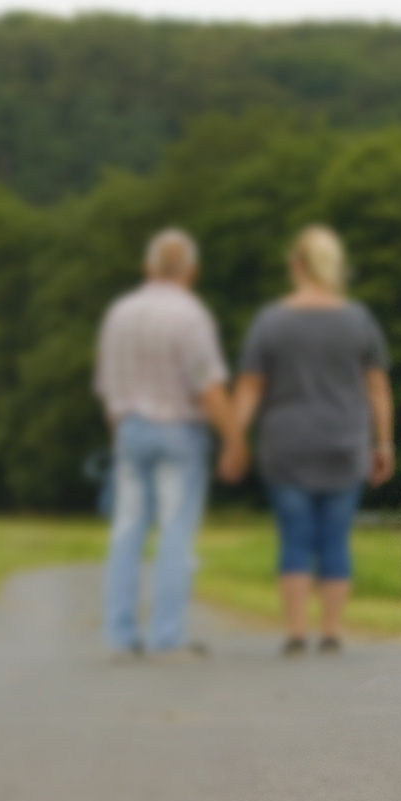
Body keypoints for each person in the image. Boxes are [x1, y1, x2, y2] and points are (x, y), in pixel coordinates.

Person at [232, 224, 394, 656]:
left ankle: (298, 631)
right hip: (343, 445)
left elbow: (249, 388)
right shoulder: (357, 320)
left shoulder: (271, 321)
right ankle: (333, 630)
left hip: (285, 446)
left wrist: (233, 439)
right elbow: (376, 388)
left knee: (295, 538)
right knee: (334, 539)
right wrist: (384, 445)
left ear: (296, 264)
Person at [94, 228, 247, 660]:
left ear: (148, 267)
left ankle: (120, 636)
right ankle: (166, 636)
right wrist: (234, 437)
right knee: (175, 531)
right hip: (179, 431)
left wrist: (119, 433)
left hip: (128, 429)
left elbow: (108, 387)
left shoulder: (119, 313)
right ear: (191, 272)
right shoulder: (189, 315)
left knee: (126, 531)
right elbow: (208, 386)